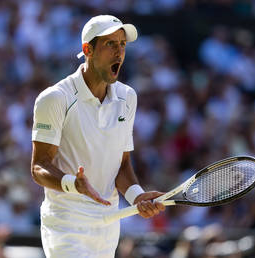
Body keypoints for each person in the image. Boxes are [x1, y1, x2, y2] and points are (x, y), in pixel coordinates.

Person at [30, 15, 165, 257]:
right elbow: (39, 166)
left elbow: (121, 164)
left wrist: (137, 196)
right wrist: (73, 184)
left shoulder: (128, 97)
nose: (119, 52)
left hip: (108, 223)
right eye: (110, 44)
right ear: (88, 50)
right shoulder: (55, 98)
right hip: (66, 221)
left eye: (122, 44)